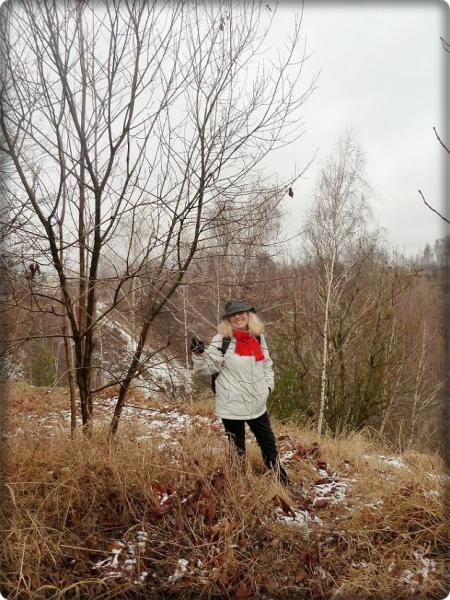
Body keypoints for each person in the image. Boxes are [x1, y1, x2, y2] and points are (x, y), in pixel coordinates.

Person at [190, 298, 289, 486]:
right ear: (228, 319)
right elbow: (207, 368)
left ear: (248, 314)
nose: (237, 317)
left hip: (257, 403)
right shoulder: (222, 340)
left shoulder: (258, 337)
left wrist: (268, 388)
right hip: (232, 405)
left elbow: (267, 364)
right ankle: (236, 487)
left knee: (269, 447)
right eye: (233, 314)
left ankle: (282, 484)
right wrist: (199, 353)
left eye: (241, 312)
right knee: (237, 450)